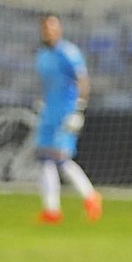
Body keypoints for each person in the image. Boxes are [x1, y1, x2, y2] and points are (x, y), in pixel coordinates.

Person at [33, 15, 101, 224]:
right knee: (44, 159)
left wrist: (79, 110)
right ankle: (51, 210)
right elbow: (47, 84)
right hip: (49, 113)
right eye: (45, 28)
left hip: (65, 112)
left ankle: (90, 197)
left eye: (51, 28)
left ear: (58, 29)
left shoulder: (68, 52)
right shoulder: (41, 55)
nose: (48, 32)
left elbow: (82, 80)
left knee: (61, 158)